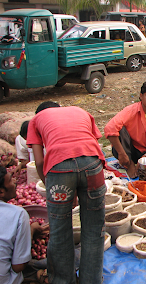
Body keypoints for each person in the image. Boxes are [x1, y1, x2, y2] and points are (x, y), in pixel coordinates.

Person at [27, 101, 106, 284]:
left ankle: (63, 281)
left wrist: (54, 189)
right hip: (93, 165)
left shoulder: (36, 119)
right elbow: (90, 145)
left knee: (60, 232)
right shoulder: (80, 111)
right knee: (95, 230)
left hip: (59, 168)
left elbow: (39, 162)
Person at [0, 166, 48, 284]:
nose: (15, 182)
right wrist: (30, 231)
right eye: (11, 180)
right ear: (1, 191)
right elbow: (18, 266)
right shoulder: (18, 214)